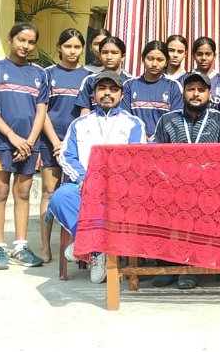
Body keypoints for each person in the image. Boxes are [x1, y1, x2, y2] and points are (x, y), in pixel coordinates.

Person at [48, 71, 147, 283]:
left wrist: (114, 182)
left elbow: (138, 158)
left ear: (121, 95)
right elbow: (67, 156)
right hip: (84, 185)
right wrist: (83, 179)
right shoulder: (80, 123)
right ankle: (96, 250)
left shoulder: (133, 123)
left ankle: (87, 246)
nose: (107, 93)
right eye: (102, 88)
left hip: (120, 189)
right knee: (61, 197)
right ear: (94, 94)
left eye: (113, 89)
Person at [151, 71, 220, 289]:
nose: (196, 94)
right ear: (183, 93)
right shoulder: (167, 119)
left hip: (208, 187)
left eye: (201, 90)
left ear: (209, 94)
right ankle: (168, 265)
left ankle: (189, 267)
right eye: (191, 89)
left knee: (200, 205)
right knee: (164, 205)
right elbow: (155, 157)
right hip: (172, 187)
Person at [0, 23, 49, 270]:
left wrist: (29, 142)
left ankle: (20, 246)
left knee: (23, 193)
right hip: (1, 142)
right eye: (21, 40)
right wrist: (11, 136)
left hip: (30, 144)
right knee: (0, 192)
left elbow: (41, 110)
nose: (26, 46)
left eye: (31, 42)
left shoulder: (39, 73)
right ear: (10, 39)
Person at [38, 29, 92, 262]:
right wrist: (55, 142)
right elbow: (42, 111)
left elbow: (86, 113)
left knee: (74, 192)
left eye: (77, 47)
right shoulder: (47, 74)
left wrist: (70, 144)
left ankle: (73, 244)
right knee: (49, 192)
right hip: (50, 141)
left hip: (77, 146)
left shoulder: (88, 77)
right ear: (59, 47)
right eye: (68, 46)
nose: (72, 51)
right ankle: (45, 246)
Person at [121, 41, 183, 140]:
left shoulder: (173, 86)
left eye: (160, 60)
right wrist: (141, 135)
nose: (154, 64)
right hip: (135, 141)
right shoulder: (129, 85)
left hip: (163, 142)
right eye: (150, 59)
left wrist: (157, 137)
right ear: (143, 59)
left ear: (166, 62)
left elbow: (175, 118)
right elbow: (125, 116)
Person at [75, 36, 131, 114]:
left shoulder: (130, 82)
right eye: (105, 52)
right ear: (100, 55)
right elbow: (85, 112)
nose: (109, 57)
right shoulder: (90, 80)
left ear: (123, 56)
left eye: (114, 53)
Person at [184, 36, 220, 110]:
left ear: (214, 56)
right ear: (193, 56)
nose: (204, 58)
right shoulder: (184, 79)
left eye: (208, 54)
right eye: (199, 54)